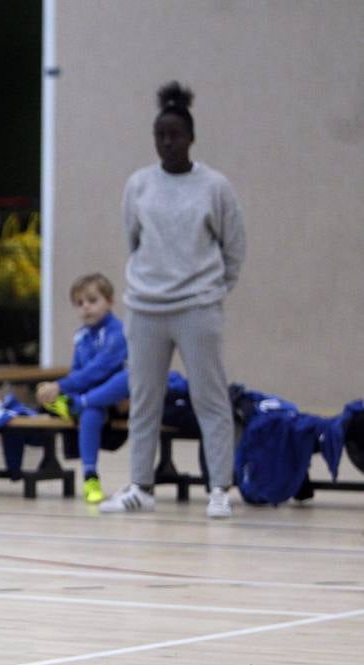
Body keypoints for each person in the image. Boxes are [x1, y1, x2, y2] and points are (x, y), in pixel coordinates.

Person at [101, 82, 245, 519]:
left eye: (175, 134)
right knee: (144, 399)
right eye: (160, 134)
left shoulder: (215, 186)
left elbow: (233, 247)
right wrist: (151, 282)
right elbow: (134, 240)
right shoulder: (139, 185)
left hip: (198, 307)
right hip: (145, 308)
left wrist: (212, 290)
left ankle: (219, 486)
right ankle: (140, 487)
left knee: (210, 397)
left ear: (190, 138)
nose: (167, 142)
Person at [36, 273, 129, 503]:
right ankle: (90, 476)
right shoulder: (82, 336)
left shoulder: (119, 332)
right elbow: (78, 371)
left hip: (115, 396)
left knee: (126, 378)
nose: (86, 307)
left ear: (109, 301)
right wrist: (59, 388)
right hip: (91, 399)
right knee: (84, 410)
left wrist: (62, 386)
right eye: (79, 303)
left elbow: (101, 369)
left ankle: (74, 405)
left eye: (92, 300)